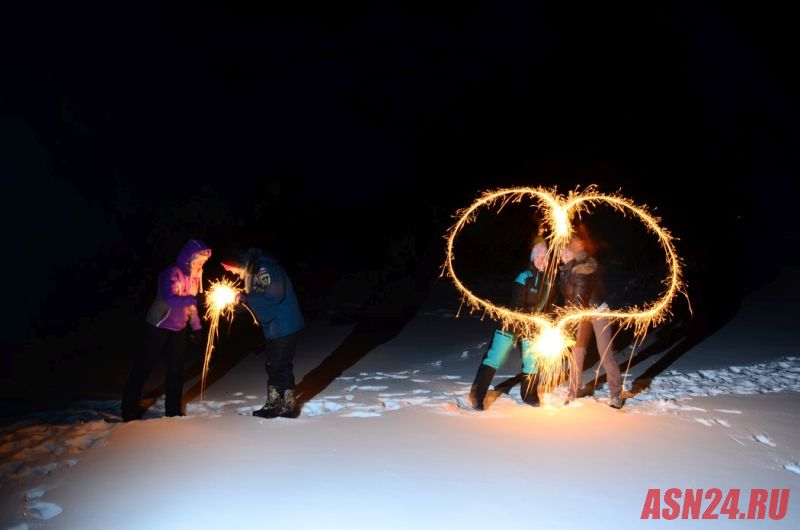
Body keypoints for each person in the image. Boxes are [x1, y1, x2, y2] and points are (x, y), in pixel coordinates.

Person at [122, 239, 212, 421]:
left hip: (178, 328)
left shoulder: (196, 277)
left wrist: (196, 327)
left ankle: (173, 411)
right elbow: (171, 299)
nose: (201, 264)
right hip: (158, 325)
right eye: (199, 260)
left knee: (176, 370)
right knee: (144, 367)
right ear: (189, 258)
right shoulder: (171, 273)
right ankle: (129, 409)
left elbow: (192, 306)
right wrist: (194, 300)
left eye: (203, 261)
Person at [468, 236, 556, 410]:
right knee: (495, 357)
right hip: (512, 324)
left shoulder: (549, 281)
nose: (541, 259)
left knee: (533, 361)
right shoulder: (524, 277)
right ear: (532, 257)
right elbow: (516, 306)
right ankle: (477, 394)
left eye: (544, 256)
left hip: (533, 327)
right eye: (538, 255)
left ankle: (530, 395)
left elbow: (549, 309)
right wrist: (531, 319)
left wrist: (547, 325)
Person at [221, 247, 305, 418]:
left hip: (283, 325)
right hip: (275, 327)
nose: (233, 273)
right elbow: (259, 300)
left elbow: (274, 295)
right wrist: (239, 303)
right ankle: (275, 404)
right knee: (274, 366)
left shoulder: (263, 269)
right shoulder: (254, 272)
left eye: (231, 269)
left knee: (279, 366)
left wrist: (244, 298)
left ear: (238, 263)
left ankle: (286, 406)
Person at [558, 236, 623, 408]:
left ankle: (616, 394)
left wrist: (571, 316)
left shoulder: (583, 269)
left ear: (572, 252)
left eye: (564, 251)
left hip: (598, 311)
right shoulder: (566, 269)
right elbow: (568, 298)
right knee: (577, 353)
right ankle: (573, 391)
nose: (561, 255)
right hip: (581, 313)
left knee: (605, 353)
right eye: (560, 252)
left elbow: (579, 299)